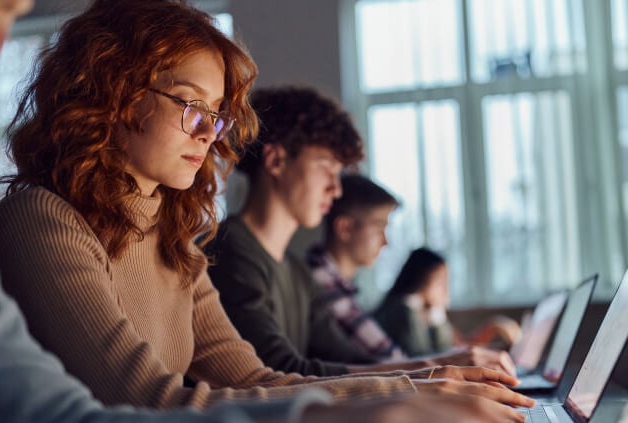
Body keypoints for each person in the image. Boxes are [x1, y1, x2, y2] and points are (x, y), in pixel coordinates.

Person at [0, 0, 535, 423]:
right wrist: (385, 409)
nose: (207, 132)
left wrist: (419, 389)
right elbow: (147, 402)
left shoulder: (175, 237)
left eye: (216, 115)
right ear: (114, 96)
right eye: (191, 105)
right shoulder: (40, 218)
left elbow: (254, 379)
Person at [206, 86, 519, 379]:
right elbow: (281, 372)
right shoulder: (230, 253)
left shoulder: (298, 271)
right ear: (276, 160)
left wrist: (445, 366)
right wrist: (434, 368)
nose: (336, 187)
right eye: (325, 167)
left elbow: (356, 361)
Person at [305, 173, 405, 361]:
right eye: (379, 228)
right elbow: (390, 359)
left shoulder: (337, 282)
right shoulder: (321, 281)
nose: (385, 242)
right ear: (345, 229)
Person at [375, 247, 522, 357]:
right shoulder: (404, 311)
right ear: (420, 280)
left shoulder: (429, 312)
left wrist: (494, 327)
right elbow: (427, 359)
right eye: (441, 282)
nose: (445, 291)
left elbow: (461, 345)